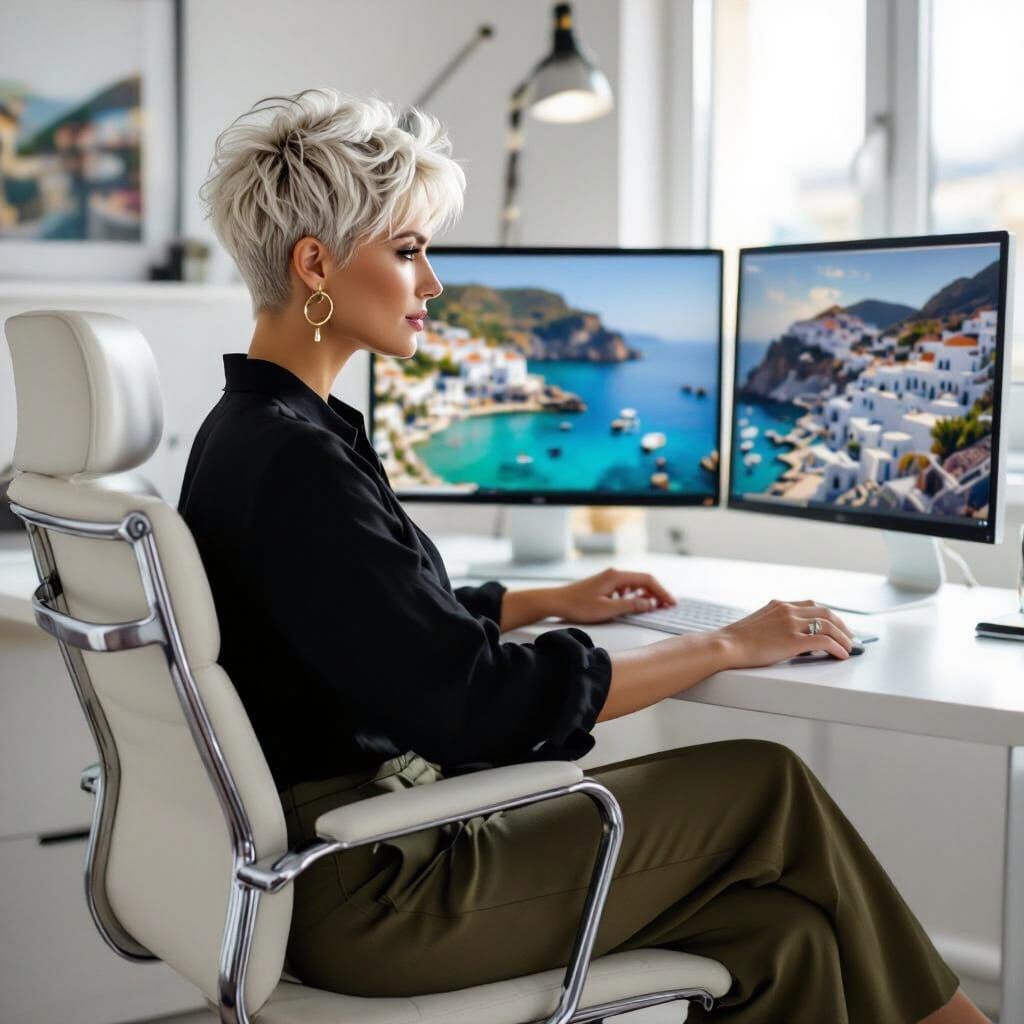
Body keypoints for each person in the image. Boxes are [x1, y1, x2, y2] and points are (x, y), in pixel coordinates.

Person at [178, 88, 985, 1024]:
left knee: (781, 938)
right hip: (374, 888)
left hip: (334, 861)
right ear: (314, 263)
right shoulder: (295, 459)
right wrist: (724, 645)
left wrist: (545, 600)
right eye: (408, 252)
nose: (432, 283)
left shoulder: (256, 431)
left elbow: (364, 623)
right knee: (768, 782)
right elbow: (473, 702)